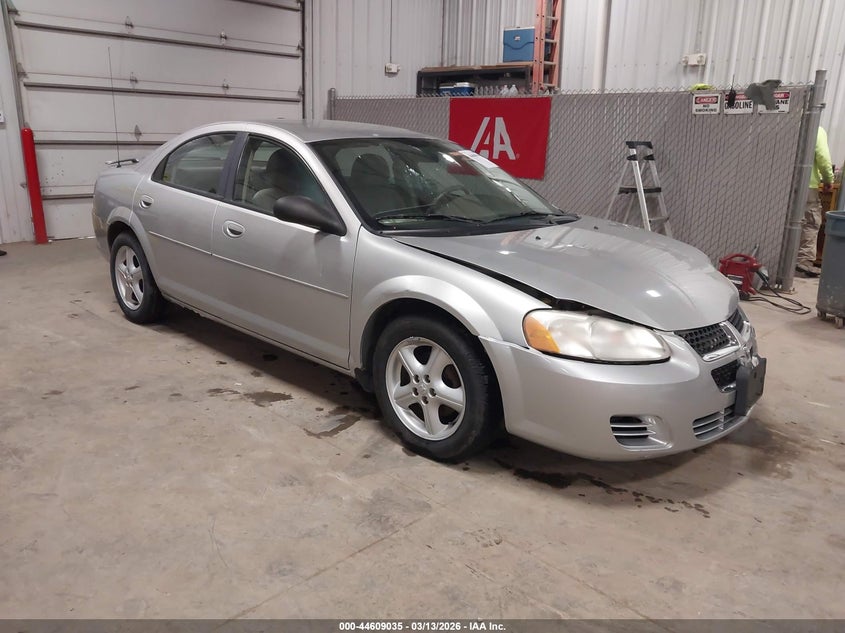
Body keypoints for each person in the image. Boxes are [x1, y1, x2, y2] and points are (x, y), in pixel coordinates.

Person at [796, 125, 834, 277]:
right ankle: (803, 262)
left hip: (783, 183)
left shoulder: (788, 124)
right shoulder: (816, 129)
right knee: (810, 222)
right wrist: (828, 179)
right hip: (807, 184)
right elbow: (823, 156)